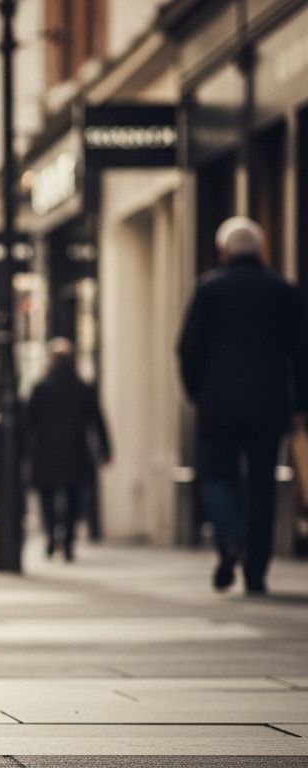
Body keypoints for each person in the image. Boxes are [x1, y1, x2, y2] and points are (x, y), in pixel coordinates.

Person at [177, 216, 308, 594]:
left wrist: (196, 393)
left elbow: (187, 349)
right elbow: (302, 352)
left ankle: (228, 538)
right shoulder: (283, 291)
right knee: (262, 484)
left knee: (219, 477)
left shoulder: (208, 290)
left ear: (224, 252)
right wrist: (299, 402)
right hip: (268, 405)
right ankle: (256, 569)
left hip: (218, 406)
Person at [24, 339, 111, 562]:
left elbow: (28, 423)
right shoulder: (82, 387)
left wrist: (23, 452)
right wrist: (105, 448)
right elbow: (97, 420)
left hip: (46, 452)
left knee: (47, 496)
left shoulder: (41, 388)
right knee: (73, 497)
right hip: (75, 451)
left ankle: (53, 536)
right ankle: (69, 541)